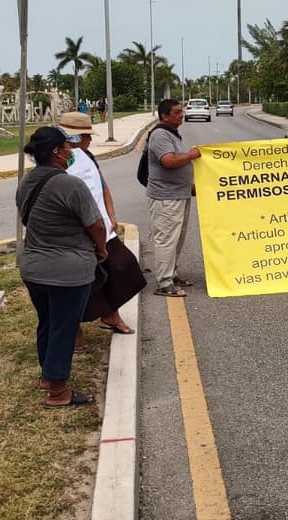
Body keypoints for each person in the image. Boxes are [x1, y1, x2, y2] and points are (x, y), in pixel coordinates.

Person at [15, 126, 108, 408]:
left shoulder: (27, 182)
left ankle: (47, 375)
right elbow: (96, 224)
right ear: (57, 152)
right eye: (68, 147)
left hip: (32, 267)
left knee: (48, 322)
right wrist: (101, 249)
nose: (72, 152)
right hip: (67, 271)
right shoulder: (71, 185)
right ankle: (57, 392)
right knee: (64, 327)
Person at [59, 111, 143, 335]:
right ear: (75, 137)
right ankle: (74, 329)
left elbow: (102, 185)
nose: (89, 139)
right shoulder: (58, 159)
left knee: (122, 267)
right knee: (79, 281)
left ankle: (110, 314)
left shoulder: (88, 157)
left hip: (102, 227)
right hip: (77, 233)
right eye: (86, 136)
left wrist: (111, 214)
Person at [146, 98, 201, 297]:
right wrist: (192, 155)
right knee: (167, 239)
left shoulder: (172, 134)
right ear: (165, 116)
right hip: (165, 198)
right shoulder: (160, 135)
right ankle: (164, 282)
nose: (181, 115)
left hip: (179, 194)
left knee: (177, 239)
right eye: (177, 112)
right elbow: (168, 161)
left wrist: (190, 185)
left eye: (181, 111)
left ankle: (172, 273)